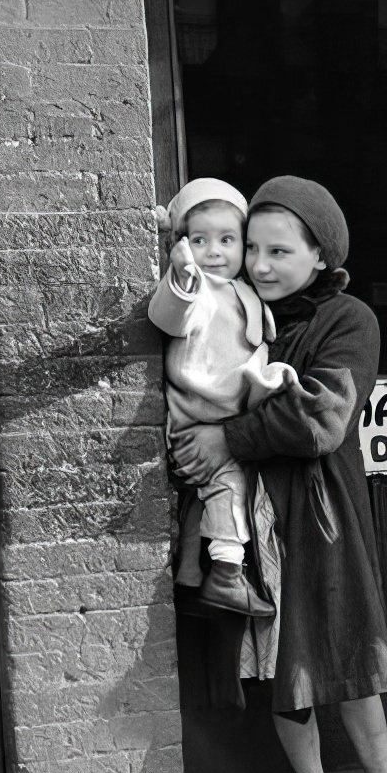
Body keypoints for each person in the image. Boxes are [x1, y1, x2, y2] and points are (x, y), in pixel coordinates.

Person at [171, 175, 387, 773]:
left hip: (323, 516)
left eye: (279, 251)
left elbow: (319, 421)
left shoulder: (349, 320)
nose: (258, 264)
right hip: (255, 519)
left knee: (352, 652)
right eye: (250, 246)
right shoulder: (234, 312)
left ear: (320, 255)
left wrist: (228, 437)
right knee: (280, 663)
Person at [149, 177, 299, 619]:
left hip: (223, 418)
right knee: (228, 483)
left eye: (227, 239)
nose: (214, 251)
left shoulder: (245, 291)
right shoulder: (199, 290)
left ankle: (191, 573)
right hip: (199, 421)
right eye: (200, 240)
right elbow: (170, 315)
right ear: (183, 244)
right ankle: (227, 576)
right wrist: (181, 277)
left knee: (205, 498)